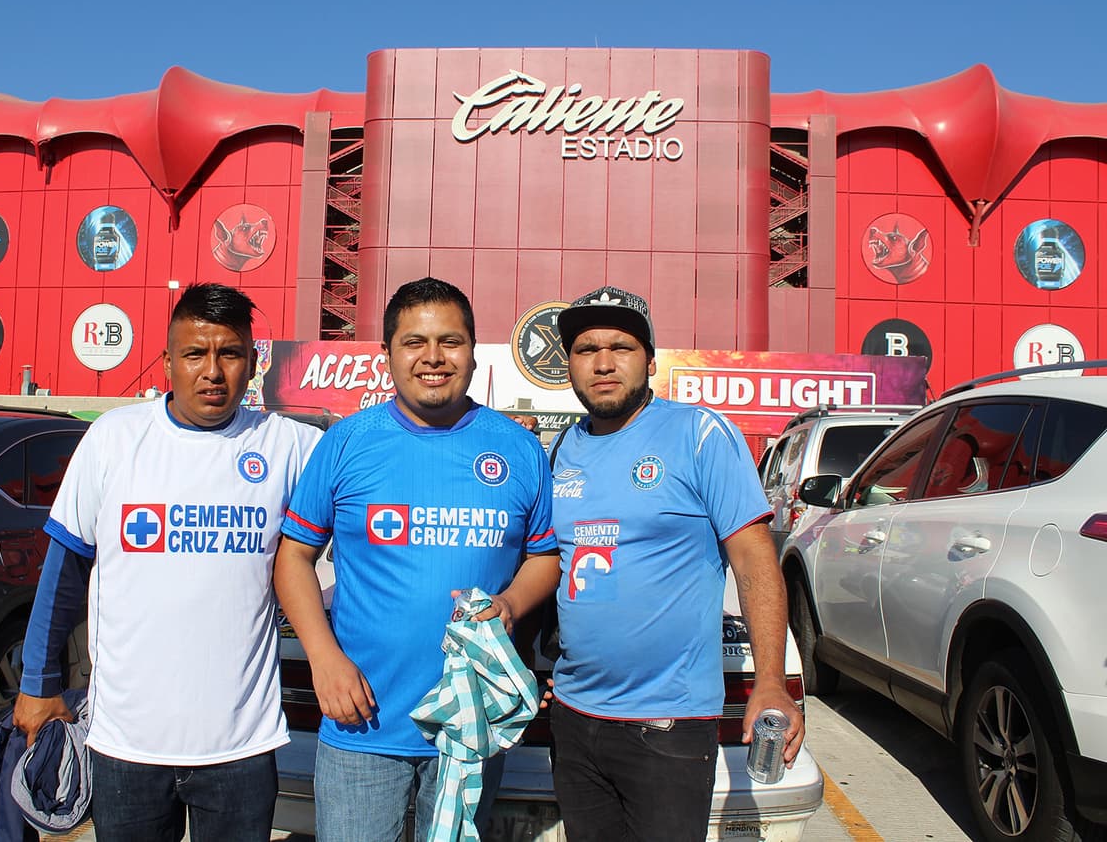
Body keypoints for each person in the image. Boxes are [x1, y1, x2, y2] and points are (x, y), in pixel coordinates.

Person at [12, 283, 322, 842]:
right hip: (125, 742)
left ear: (253, 362)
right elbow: (64, 570)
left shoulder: (292, 448)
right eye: (194, 354)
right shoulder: (114, 438)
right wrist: (38, 682)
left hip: (241, 744)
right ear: (167, 361)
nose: (212, 371)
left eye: (229, 354)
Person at [273, 276, 560, 842]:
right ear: (387, 356)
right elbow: (293, 558)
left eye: (450, 342)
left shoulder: (518, 447)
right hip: (363, 720)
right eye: (414, 343)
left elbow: (544, 557)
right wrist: (324, 659)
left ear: (475, 352)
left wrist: (510, 602)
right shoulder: (347, 443)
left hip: (470, 723)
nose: (433, 358)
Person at [546, 286, 805, 842]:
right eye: (587, 349)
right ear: (569, 365)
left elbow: (755, 561)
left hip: (667, 725)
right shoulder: (563, 447)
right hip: (573, 716)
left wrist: (771, 682)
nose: (604, 362)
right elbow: (553, 564)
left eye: (621, 347)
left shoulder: (699, 435)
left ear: (651, 361)